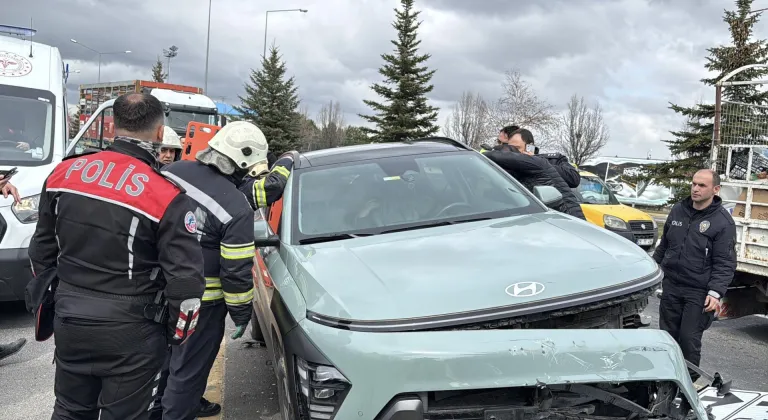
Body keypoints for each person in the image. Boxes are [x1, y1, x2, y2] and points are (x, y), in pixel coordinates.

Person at [28, 92, 206, 420]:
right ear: (158, 132)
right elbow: (187, 288)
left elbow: (40, 252)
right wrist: (170, 337)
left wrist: (59, 299)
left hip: (71, 320)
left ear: (112, 126)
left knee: (68, 411)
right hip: (134, 331)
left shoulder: (62, 174)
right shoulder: (166, 196)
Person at [153, 122, 293, 420]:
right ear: (243, 164)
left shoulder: (173, 173)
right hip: (201, 306)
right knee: (189, 370)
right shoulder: (236, 207)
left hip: (157, 291)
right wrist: (241, 315)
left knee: (165, 359)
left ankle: (162, 410)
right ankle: (178, 411)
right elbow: (236, 274)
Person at [652, 169, 736, 380]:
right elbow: (664, 246)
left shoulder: (722, 222)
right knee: (667, 337)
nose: (695, 189)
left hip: (698, 292)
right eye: (694, 184)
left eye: (702, 185)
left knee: (688, 339)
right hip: (672, 286)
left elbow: (725, 262)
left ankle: (687, 384)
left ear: (715, 190)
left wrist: (715, 292)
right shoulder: (678, 210)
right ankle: (665, 381)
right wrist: (651, 272)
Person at [482, 128, 586, 220]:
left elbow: (574, 179)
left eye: (517, 148)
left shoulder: (552, 159)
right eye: (510, 148)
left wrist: (541, 165)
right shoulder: (511, 167)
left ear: (530, 147)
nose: (513, 152)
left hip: (561, 216)